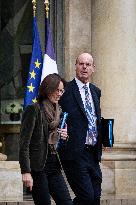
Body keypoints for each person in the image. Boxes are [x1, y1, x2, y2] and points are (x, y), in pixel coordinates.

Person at [19, 73, 73, 205]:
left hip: (54, 165)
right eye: (57, 90)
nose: (60, 94)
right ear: (48, 89)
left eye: (62, 90)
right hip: (38, 167)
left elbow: (59, 142)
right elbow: (24, 144)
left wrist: (65, 136)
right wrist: (26, 171)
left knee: (66, 202)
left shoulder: (59, 112)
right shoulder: (34, 110)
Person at [58, 53, 102, 205]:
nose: (84, 67)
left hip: (93, 153)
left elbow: (95, 118)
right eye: (81, 64)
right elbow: (56, 115)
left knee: (95, 198)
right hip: (74, 153)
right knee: (86, 197)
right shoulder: (65, 90)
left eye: (88, 64)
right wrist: (60, 130)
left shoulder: (96, 91)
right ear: (75, 66)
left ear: (93, 68)